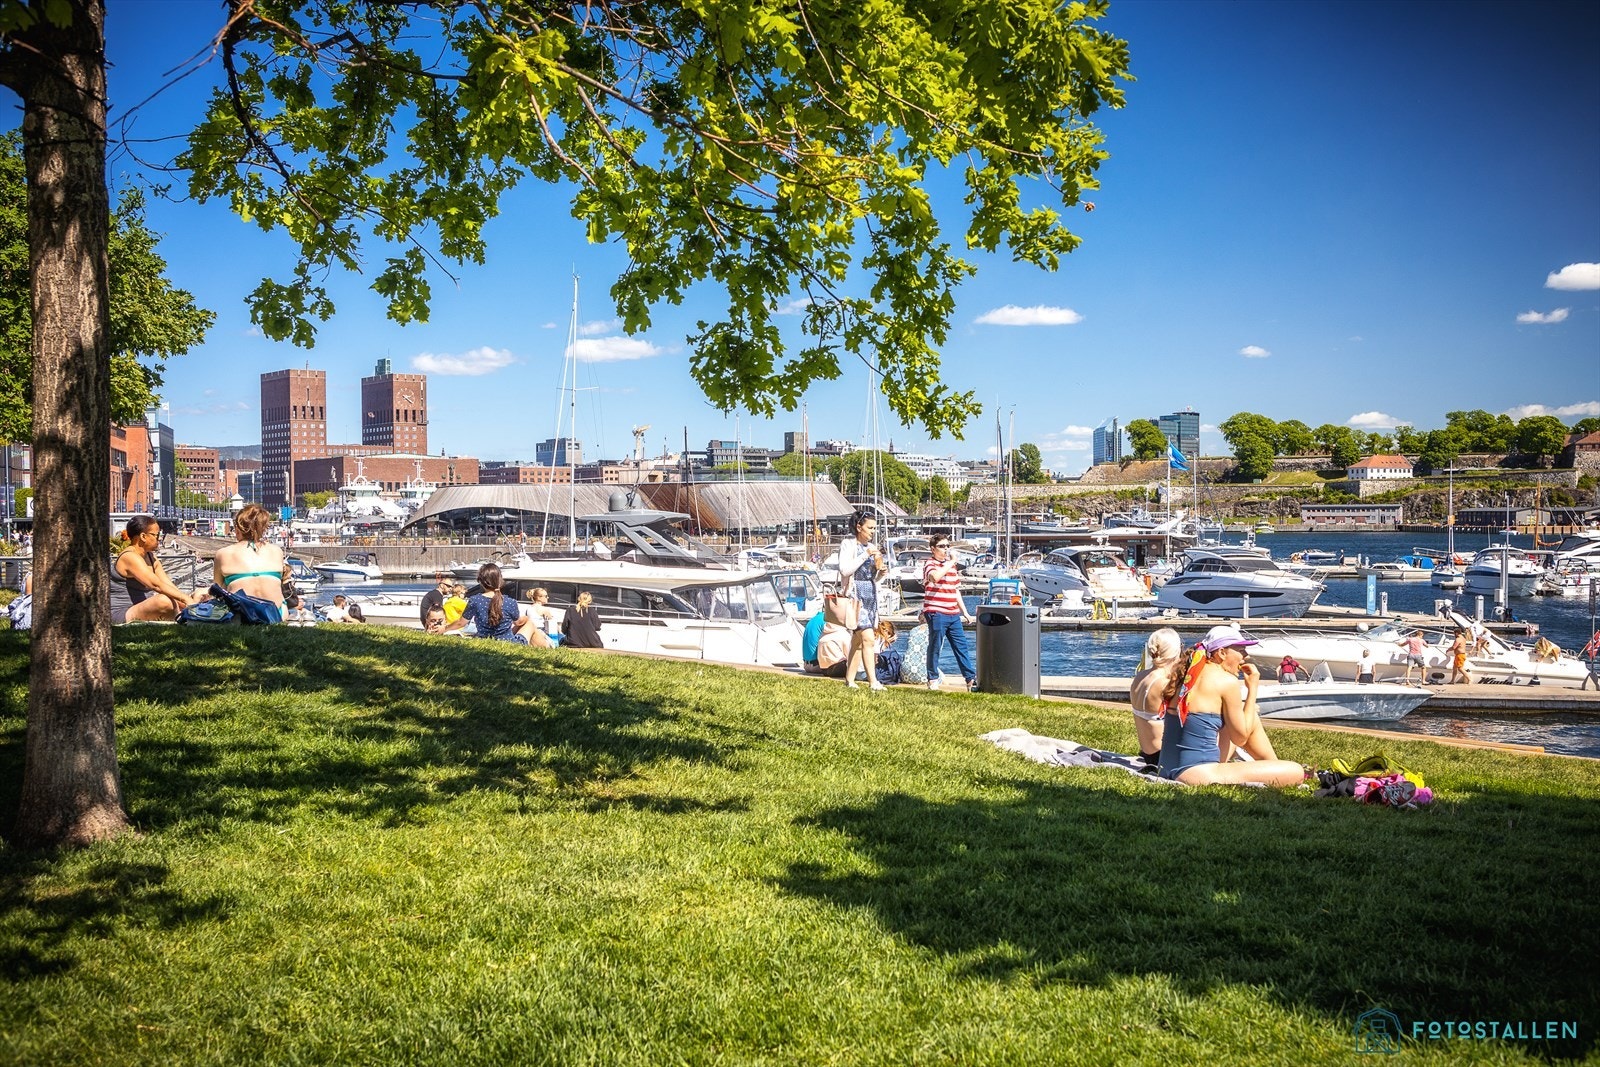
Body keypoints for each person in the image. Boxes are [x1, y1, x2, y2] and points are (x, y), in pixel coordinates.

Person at [1157, 625, 1307, 787]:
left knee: (1250, 719)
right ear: (1222, 653)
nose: (1246, 656)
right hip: (1197, 773)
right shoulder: (1226, 681)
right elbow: (1240, 738)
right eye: (1241, 650)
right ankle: (1276, 772)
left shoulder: (1187, 674)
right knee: (1296, 771)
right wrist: (1252, 690)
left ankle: (1272, 766)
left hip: (1166, 767)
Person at [110, 515, 197, 623]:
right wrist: (185, 599)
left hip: (141, 606)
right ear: (143, 536)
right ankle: (183, 622)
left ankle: (188, 619)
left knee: (197, 596)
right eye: (156, 535)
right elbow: (155, 585)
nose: (160, 538)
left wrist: (188, 601)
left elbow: (166, 583)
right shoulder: (129, 556)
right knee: (164, 601)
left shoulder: (150, 556)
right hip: (123, 611)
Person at [211, 502, 286, 622]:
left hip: (241, 616)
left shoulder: (223, 554)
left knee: (224, 585)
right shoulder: (276, 551)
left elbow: (217, 590)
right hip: (276, 614)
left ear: (238, 529)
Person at [837, 511, 887, 690]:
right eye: (870, 527)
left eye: (875, 527)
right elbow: (845, 570)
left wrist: (880, 573)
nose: (873, 531)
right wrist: (865, 555)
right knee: (868, 638)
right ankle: (873, 682)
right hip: (854, 597)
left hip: (869, 596)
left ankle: (849, 680)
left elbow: (871, 577)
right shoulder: (848, 544)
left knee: (858, 641)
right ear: (859, 527)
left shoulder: (872, 547)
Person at [921, 535, 975, 691]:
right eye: (942, 546)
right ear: (933, 549)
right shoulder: (929, 563)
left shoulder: (951, 567)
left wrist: (965, 612)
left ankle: (970, 679)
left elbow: (955, 590)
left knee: (961, 646)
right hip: (936, 611)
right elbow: (935, 577)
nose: (945, 549)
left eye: (947, 546)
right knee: (935, 645)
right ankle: (932, 678)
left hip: (953, 613)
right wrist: (951, 561)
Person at [1128, 628, 1183, 768]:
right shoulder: (1165, 684)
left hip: (1148, 754)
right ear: (1176, 651)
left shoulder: (1140, 677)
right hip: (1164, 757)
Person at [447, 562, 538, 643]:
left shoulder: (475, 600)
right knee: (530, 624)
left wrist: (444, 628)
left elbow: (460, 623)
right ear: (500, 580)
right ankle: (547, 649)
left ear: (481, 582)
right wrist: (526, 618)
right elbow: (518, 623)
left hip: (484, 639)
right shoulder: (510, 602)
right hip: (508, 641)